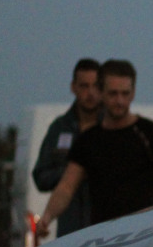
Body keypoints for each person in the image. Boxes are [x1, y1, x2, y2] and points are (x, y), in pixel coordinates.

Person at [35, 59, 153, 238]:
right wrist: (47, 217)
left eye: (125, 93)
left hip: (142, 236)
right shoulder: (88, 140)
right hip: (101, 239)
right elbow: (66, 187)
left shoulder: (152, 135)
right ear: (101, 93)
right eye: (113, 94)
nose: (119, 101)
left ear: (133, 93)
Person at [31, 58, 101, 237]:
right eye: (84, 86)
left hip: (104, 231)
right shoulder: (60, 128)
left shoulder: (113, 128)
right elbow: (40, 176)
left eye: (96, 86)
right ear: (73, 87)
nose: (91, 93)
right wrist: (71, 173)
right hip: (70, 232)